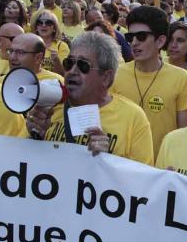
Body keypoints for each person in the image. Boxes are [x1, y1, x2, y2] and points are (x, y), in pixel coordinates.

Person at [25, 31, 153, 164]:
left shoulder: (133, 118)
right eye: (69, 63)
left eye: (83, 65)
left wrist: (107, 159)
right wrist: (35, 138)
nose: (73, 71)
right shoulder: (49, 107)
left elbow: (142, 180)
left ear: (106, 77)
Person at [112, 6, 187, 155]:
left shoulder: (181, 78)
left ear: (160, 41)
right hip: (121, 166)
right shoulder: (116, 74)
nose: (134, 42)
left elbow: (183, 132)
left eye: (141, 36)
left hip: (160, 169)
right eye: (130, 37)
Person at [30, 10, 69, 75]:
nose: (44, 25)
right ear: (36, 27)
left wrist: (56, 60)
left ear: (54, 28)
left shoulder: (62, 46)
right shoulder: (29, 44)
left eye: (48, 23)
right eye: (39, 23)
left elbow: (64, 74)